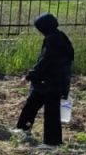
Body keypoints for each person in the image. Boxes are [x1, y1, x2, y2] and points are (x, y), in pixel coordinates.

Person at [16, 13, 74, 148]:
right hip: (47, 81)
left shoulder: (54, 40)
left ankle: (52, 142)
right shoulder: (58, 36)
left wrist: (29, 76)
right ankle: (23, 128)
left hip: (53, 81)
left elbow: (45, 61)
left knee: (52, 112)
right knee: (32, 103)